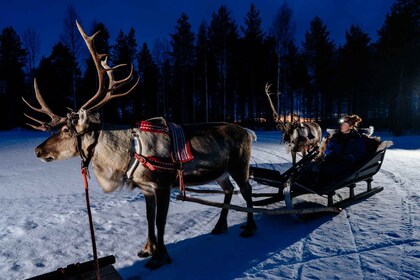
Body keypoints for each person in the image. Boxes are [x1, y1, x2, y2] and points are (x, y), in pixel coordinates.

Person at [297, 114, 367, 187]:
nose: (342, 126)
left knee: (327, 170)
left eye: (345, 124)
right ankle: (303, 182)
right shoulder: (336, 137)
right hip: (333, 160)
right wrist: (329, 155)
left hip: (346, 163)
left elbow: (360, 153)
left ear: (351, 127)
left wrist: (346, 157)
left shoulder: (357, 139)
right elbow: (329, 149)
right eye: (342, 124)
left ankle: (318, 184)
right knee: (311, 167)